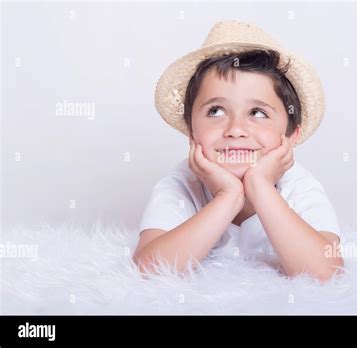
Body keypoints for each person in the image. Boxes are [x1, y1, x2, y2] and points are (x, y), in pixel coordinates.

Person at [133, 20, 344, 282]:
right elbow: (148, 269)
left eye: (257, 113)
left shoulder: (299, 187)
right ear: (191, 132)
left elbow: (327, 273)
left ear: (290, 136)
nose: (235, 129)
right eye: (216, 111)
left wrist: (261, 188)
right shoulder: (180, 185)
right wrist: (228, 196)